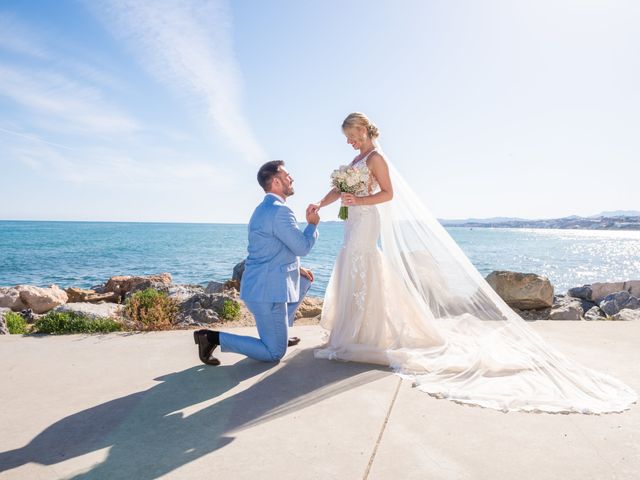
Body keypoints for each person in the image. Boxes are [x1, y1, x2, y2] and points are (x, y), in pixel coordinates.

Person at [308, 112, 637, 414]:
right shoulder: (356, 159)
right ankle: (354, 328)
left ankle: (371, 330)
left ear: (363, 129)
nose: (349, 141)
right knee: (353, 263)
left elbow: (388, 194)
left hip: (367, 219)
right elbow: (339, 190)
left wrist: (359, 199)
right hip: (353, 221)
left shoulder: (376, 158)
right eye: (347, 138)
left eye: (351, 135)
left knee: (365, 263)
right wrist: (320, 204)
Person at [194, 160, 319, 365]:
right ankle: (210, 338)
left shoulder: (263, 208)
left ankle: (281, 331)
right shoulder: (280, 211)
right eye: (288, 175)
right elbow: (302, 247)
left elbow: (272, 248)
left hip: (258, 285)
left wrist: (297, 267)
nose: (292, 178)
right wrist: (312, 226)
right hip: (266, 292)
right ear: (277, 182)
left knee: (304, 280)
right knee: (274, 353)